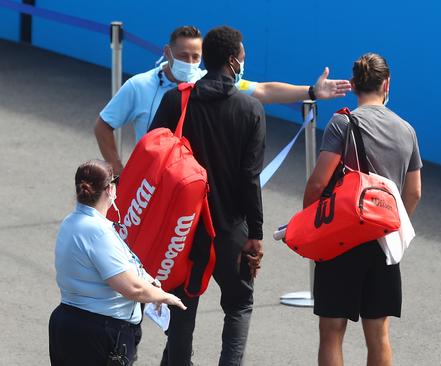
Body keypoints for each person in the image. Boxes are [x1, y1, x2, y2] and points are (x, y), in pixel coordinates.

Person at [150, 26, 266, 366]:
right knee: (239, 305)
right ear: (232, 61)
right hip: (230, 229)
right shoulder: (250, 110)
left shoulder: (177, 100)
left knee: (182, 310)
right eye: (243, 57)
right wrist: (255, 235)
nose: (244, 61)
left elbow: (155, 157)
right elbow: (250, 178)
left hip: (184, 230)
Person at [95, 25, 351, 175]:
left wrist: (312, 92)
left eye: (196, 56)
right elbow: (104, 125)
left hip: (192, 184)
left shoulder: (207, 80)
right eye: (184, 56)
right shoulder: (138, 86)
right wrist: (118, 168)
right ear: (167, 52)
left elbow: (262, 90)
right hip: (151, 184)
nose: (191, 63)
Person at [302, 53, 422, 366]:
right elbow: (414, 192)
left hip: (341, 238)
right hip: (383, 241)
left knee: (331, 329)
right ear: (387, 84)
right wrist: (392, 227)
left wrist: (311, 228)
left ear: (354, 85)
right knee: (378, 333)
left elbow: (318, 184)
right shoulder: (407, 130)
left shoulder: (342, 122)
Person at [48, 160, 186, 366]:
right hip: (98, 332)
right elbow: (131, 288)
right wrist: (165, 297)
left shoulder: (71, 222)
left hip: (68, 323)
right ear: (109, 189)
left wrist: (150, 283)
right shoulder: (97, 232)